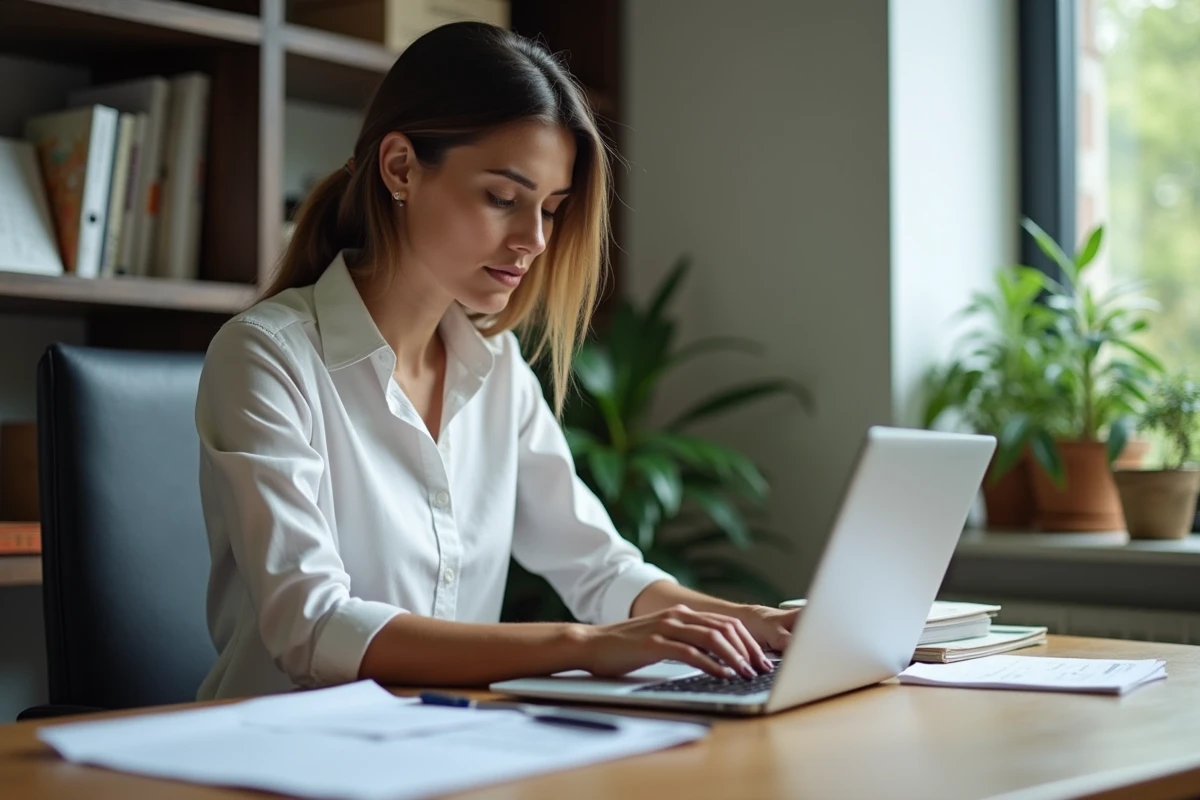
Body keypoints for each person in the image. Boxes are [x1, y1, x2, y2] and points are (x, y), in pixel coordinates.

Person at [194, 20, 797, 701]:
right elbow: (314, 626)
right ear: (400, 168)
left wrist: (755, 623)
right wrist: (582, 647)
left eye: (550, 209)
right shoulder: (267, 357)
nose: (534, 240)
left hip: (448, 747)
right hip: (275, 756)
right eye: (503, 199)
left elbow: (598, 568)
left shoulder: (497, 368)